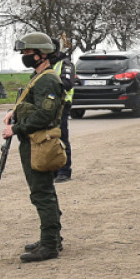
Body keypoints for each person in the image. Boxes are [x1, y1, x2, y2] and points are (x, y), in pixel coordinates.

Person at [5, 31, 66, 263]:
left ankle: (49, 245)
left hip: (40, 143)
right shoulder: (38, 77)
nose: (25, 56)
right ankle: (52, 238)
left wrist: (15, 128)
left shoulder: (48, 79)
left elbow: (44, 115)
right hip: (33, 141)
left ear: (43, 54)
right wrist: (13, 113)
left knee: (42, 194)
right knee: (43, 191)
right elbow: (32, 104)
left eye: (28, 52)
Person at [54, 33, 78, 182]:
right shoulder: (45, 65)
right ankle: (52, 170)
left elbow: (67, 84)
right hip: (47, 107)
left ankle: (64, 171)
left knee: (61, 138)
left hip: (62, 105)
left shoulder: (65, 64)